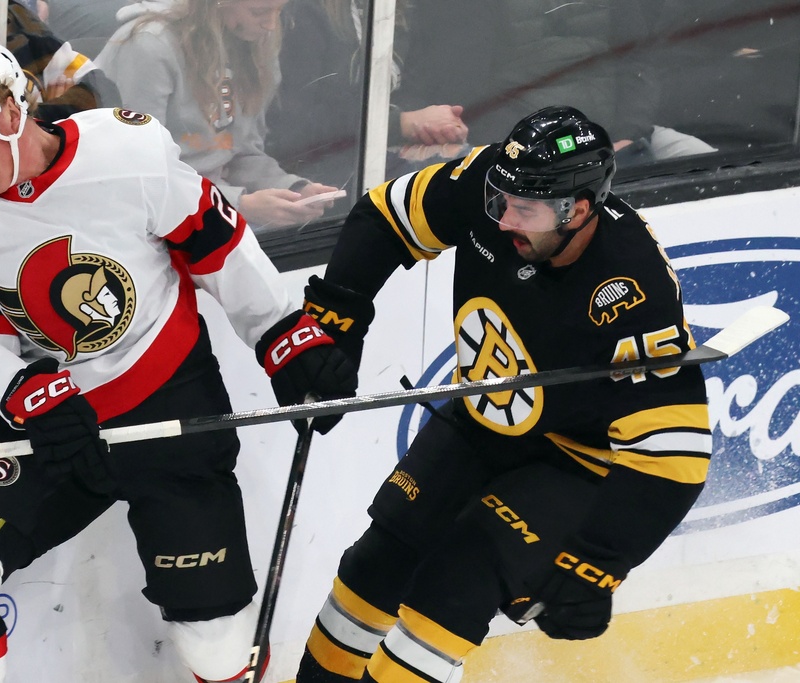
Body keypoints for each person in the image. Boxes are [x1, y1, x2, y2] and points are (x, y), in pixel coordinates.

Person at [0, 36, 356, 682]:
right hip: (63, 423)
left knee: (215, 643)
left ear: (10, 108)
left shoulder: (127, 150)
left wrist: (283, 335)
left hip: (171, 400)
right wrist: (26, 393)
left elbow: (215, 242)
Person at [291, 106, 712, 682]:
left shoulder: (632, 285)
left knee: (455, 582)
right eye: (499, 201)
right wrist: (334, 321)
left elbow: (676, 452)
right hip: (482, 419)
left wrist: (599, 562)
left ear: (579, 209)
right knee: (375, 564)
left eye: (525, 210)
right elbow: (386, 216)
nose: (504, 219)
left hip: (574, 459)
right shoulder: (493, 183)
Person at [95, 0, 342, 230]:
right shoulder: (149, 46)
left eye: (280, 11)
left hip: (210, 210)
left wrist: (290, 189)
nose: (270, 25)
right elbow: (137, 173)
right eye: (259, 12)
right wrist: (238, 205)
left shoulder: (255, 44)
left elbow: (238, 151)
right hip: (138, 221)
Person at [393, 0, 716, 168]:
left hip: (615, 137)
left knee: (712, 169)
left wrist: (627, 134)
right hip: (520, 147)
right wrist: (536, 149)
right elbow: (463, 90)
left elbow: (637, 60)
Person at [265, 0, 468, 197]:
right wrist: (400, 123)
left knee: (469, 165)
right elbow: (296, 125)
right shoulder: (305, 12)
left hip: (382, 149)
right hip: (323, 167)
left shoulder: (400, 9)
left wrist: (434, 125)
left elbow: (415, 87)